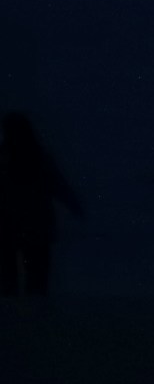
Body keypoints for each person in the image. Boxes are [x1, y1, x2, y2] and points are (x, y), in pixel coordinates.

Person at [2, 112, 85, 296]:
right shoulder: (40, 157)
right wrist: (75, 206)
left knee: (9, 285)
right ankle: (35, 320)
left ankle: (13, 320)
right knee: (36, 284)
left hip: (9, 227)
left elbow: (59, 186)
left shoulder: (5, 159)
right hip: (36, 227)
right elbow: (60, 186)